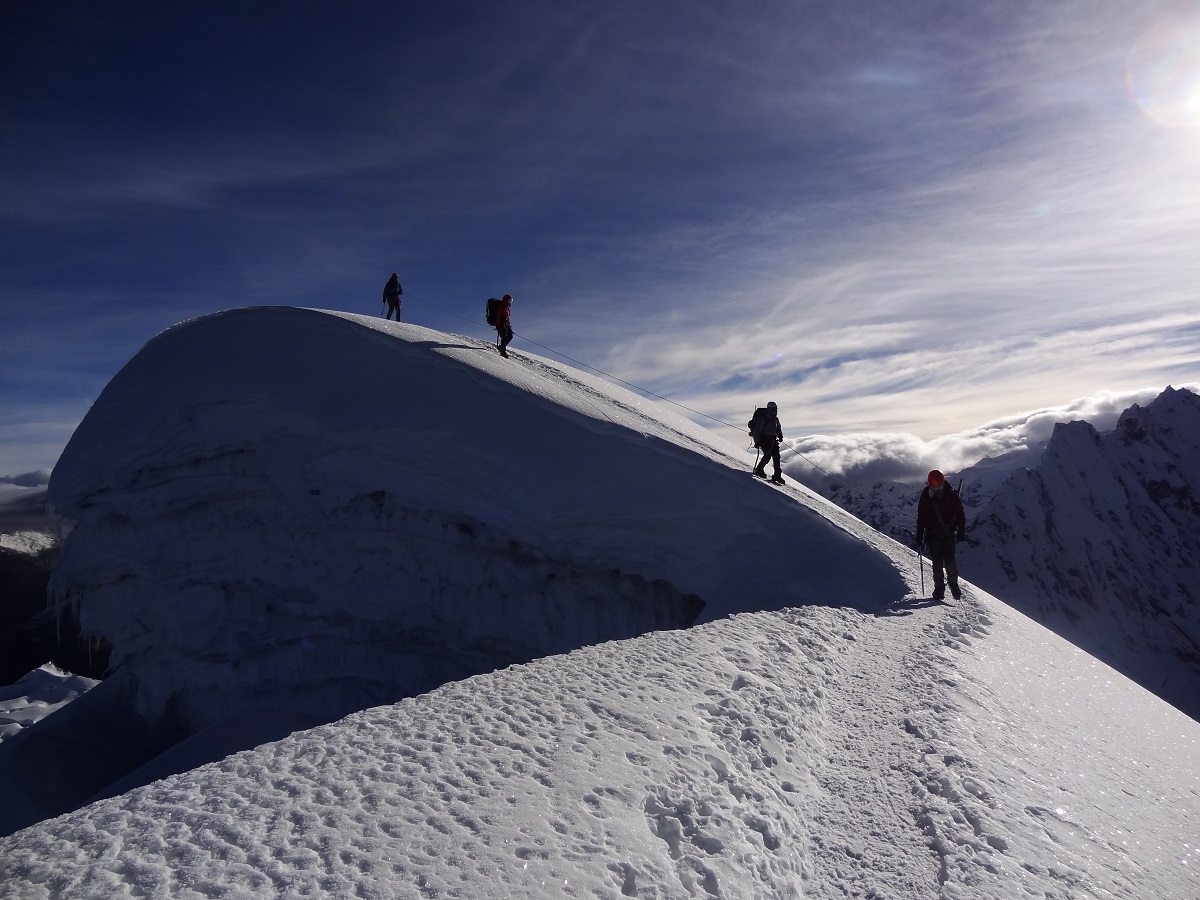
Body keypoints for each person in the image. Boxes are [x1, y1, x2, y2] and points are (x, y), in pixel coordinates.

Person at [915, 469, 967, 601]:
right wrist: (920, 534)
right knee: (937, 563)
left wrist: (961, 530)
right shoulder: (927, 496)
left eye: (938, 486)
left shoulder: (950, 494)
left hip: (947, 533)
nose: (937, 488)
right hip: (934, 534)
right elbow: (921, 517)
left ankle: (952, 584)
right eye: (935, 486)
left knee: (950, 562)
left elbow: (960, 514)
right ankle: (939, 589)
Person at [748, 401, 785, 484]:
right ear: (768, 409)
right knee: (768, 455)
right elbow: (757, 431)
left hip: (772, 440)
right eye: (772, 409)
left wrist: (780, 436)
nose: (774, 411)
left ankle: (777, 475)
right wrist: (757, 442)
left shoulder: (775, 419)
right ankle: (759, 470)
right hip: (763, 440)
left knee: (776, 457)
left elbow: (778, 428)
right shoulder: (763, 418)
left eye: (775, 409)